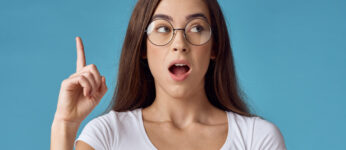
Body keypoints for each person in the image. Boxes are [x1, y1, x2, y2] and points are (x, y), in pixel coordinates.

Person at [51, 0, 287, 149]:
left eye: (196, 28)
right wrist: (65, 125)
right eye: (162, 28)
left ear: (215, 47)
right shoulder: (107, 134)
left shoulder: (257, 138)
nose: (179, 44)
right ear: (142, 47)